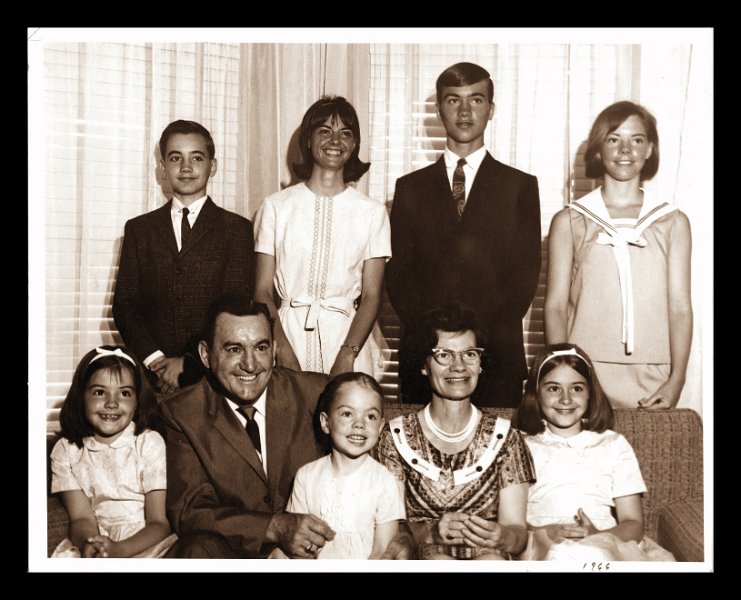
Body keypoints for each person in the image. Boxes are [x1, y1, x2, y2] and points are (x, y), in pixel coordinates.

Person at [160, 294, 413, 559]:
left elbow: (369, 478)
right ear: (205, 354)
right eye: (234, 349)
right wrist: (273, 527)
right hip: (234, 553)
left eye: (261, 347)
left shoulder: (318, 394)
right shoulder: (182, 412)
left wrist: (401, 536)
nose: (250, 364)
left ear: (275, 350)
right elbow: (191, 511)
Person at [386, 62, 541, 408]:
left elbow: (524, 281)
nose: (466, 110)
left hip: (495, 359)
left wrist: (472, 346)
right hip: (426, 361)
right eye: (454, 100)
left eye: (477, 99)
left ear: (491, 109)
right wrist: (440, 344)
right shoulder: (409, 188)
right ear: (439, 110)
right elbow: (398, 279)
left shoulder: (520, 187)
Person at [544, 101, 692, 409]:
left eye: (636, 140)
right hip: (584, 371)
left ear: (650, 149)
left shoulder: (673, 222)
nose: (626, 149)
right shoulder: (569, 221)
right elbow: (556, 305)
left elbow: (679, 307)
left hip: (653, 374)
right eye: (614, 139)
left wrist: (677, 379)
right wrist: (563, 374)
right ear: (598, 149)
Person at [376, 303, 535, 560]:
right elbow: (391, 531)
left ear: (480, 363)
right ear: (424, 365)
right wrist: (431, 532)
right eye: (444, 355)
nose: (459, 366)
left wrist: (503, 536)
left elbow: (518, 534)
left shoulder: (507, 438)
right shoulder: (394, 437)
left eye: (469, 354)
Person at [113, 119, 255, 397]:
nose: (186, 167)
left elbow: (235, 305)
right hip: (153, 379)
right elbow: (125, 305)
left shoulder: (236, 229)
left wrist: (189, 363)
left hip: (212, 376)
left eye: (197, 158)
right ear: (163, 168)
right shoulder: (140, 229)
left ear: (212, 166)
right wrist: (156, 361)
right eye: (176, 158)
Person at [254, 96, 390, 378]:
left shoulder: (372, 213)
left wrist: (347, 355)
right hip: (286, 335)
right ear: (308, 139)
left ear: (354, 145)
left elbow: (372, 296)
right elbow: (262, 291)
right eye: (324, 131)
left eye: (345, 133)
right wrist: (281, 348)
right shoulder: (276, 206)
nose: (335, 141)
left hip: (347, 340)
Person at [515, 343, 675, 561]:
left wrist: (598, 536)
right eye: (554, 388)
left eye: (577, 388)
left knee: (591, 554)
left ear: (590, 393)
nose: (566, 399)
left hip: (605, 543)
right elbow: (510, 522)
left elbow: (633, 523)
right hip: (541, 544)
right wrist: (545, 531)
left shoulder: (614, 444)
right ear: (536, 393)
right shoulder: (520, 446)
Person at [50, 346, 177, 558]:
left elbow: (159, 523)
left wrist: (119, 550)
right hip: (97, 539)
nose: (112, 403)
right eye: (99, 392)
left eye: (125, 393)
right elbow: (81, 519)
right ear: (81, 396)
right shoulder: (66, 451)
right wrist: (93, 545)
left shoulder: (148, 443)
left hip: (146, 544)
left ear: (137, 402)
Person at [270, 372, 406, 559]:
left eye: (371, 417)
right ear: (326, 423)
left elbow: (383, 549)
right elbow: (297, 544)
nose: (359, 424)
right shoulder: (307, 476)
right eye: (347, 414)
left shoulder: (384, 480)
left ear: (381, 427)